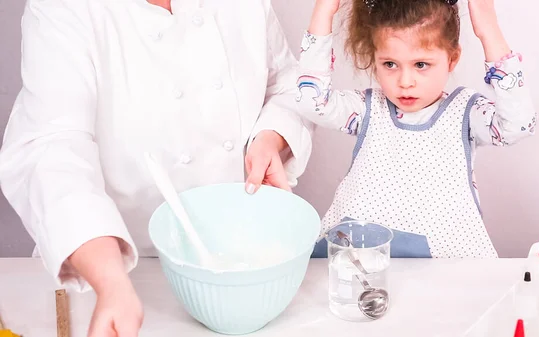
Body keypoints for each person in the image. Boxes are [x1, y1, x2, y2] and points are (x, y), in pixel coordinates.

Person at [0, 0, 314, 335]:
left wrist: (271, 137)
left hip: (239, 266)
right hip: (122, 274)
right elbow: (54, 147)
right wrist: (110, 281)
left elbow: (288, 85)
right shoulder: (64, 7)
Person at [300, 0, 536, 259]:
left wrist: (489, 31)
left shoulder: (466, 112)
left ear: (452, 58)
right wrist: (324, 10)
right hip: (362, 267)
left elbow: (518, 125)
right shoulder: (367, 109)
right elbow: (312, 101)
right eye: (390, 64)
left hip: (442, 268)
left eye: (421, 65)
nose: (405, 82)